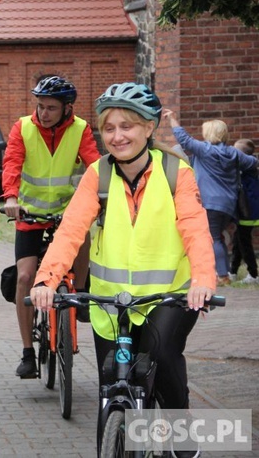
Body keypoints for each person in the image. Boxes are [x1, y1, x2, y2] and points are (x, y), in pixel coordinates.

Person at [30, 82, 215, 458]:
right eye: (109, 128)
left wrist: (203, 281)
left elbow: (195, 229)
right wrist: (46, 279)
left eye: (127, 126)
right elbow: (70, 232)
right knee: (111, 385)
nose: (117, 136)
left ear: (148, 128)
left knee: (161, 359)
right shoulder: (97, 176)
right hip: (110, 302)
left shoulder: (176, 173)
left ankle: (181, 430)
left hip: (169, 296)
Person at [1, 75, 100, 378]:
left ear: (67, 108)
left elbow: (94, 164)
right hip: (29, 215)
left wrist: (103, 196)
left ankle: (79, 293)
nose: (43, 113)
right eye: (40, 106)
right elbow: (12, 163)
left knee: (83, 236)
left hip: (66, 214)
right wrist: (12, 197)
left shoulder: (81, 129)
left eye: (51, 108)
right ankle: (27, 352)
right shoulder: (23, 127)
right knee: (25, 277)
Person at [167, 114, 259, 286]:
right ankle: (221, 271)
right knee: (218, 237)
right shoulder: (233, 153)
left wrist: (172, 119)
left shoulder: (205, 150)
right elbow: (252, 162)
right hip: (229, 204)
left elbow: (184, 140)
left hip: (210, 202)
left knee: (213, 238)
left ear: (209, 133)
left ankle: (222, 275)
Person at [229, 138, 259, 284]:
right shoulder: (247, 167)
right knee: (237, 242)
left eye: (235, 150)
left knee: (244, 243)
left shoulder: (247, 167)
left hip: (248, 212)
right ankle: (233, 271)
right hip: (246, 211)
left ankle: (253, 275)